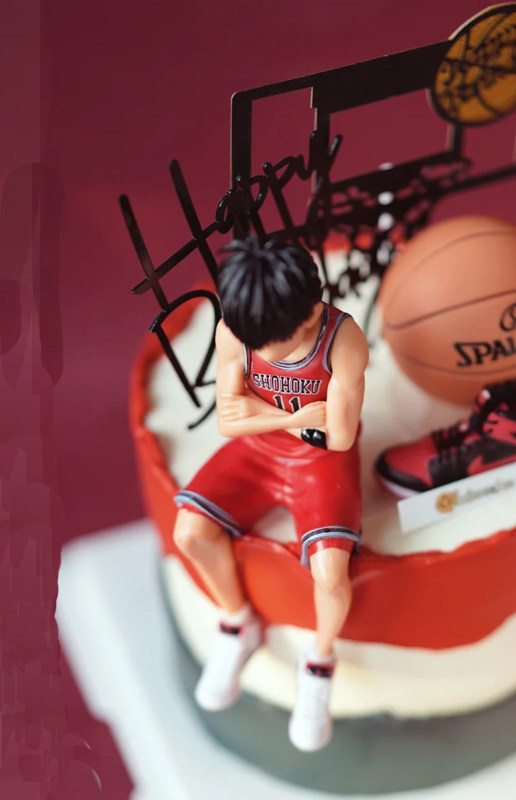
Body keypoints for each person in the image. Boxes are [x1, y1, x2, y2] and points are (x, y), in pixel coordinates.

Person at [171, 235, 368, 751]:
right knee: (189, 531)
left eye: (270, 342)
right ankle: (238, 623)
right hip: (256, 455)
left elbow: (339, 436)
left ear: (309, 316)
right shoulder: (235, 329)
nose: (256, 350)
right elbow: (228, 420)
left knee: (330, 571)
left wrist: (261, 414)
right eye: (250, 339)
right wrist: (300, 417)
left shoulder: (343, 340)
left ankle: (319, 660)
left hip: (320, 465)